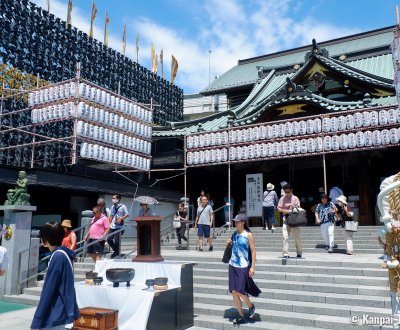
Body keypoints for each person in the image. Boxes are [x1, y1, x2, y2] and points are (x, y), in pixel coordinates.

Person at [31, 222, 80, 330]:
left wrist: (37, 319)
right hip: (61, 308)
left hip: (55, 311)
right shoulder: (63, 254)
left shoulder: (57, 257)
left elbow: (49, 289)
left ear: (46, 240)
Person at [227, 214, 261, 325]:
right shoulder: (234, 234)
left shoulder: (248, 235)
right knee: (233, 292)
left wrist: (252, 267)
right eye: (235, 221)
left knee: (240, 291)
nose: (235, 223)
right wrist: (229, 244)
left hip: (243, 266)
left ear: (242, 222)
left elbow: (253, 251)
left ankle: (251, 306)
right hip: (232, 265)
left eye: (237, 221)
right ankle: (241, 315)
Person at [277, 184, 302, 258]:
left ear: (291, 190)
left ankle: (299, 252)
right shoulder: (282, 198)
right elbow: (278, 208)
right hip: (286, 218)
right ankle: (285, 253)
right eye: (285, 192)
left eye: (288, 191)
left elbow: (299, 209)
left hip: (294, 219)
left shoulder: (295, 198)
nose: (287, 193)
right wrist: (283, 210)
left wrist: (292, 206)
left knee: (296, 238)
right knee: (285, 237)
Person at [107, 194, 129, 259]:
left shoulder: (123, 206)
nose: (113, 199)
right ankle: (116, 251)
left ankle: (117, 253)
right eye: (112, 198)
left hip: (119, 227)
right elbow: (111, 215)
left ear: (118, 199)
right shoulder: (112, 207)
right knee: (109, 239)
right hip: (112, 226)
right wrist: (109, 223)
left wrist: (121, 218)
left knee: (117, 241)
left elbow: (127, 214)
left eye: (114, 198)